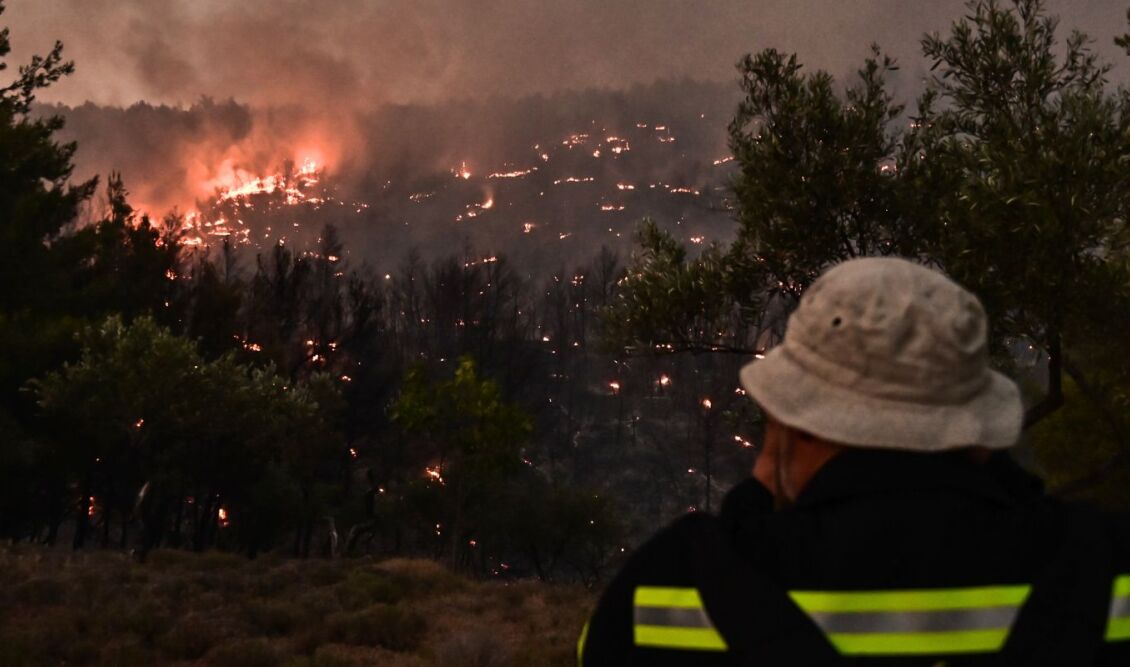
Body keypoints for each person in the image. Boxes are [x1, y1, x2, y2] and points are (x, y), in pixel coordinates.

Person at [578, 257, 1130, 666]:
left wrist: (756, 496)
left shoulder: (668, 592)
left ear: (790, 423)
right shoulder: (1107, 573)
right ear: (978, 429)